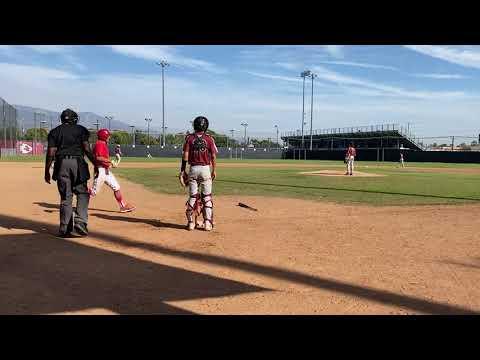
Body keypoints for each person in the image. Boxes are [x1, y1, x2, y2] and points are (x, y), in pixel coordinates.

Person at [44, 108, 95, 237]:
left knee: (66, 196)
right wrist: (96, 164)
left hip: (61, 164)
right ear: (75, 119)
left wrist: (46, 171)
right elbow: (87, 149)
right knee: (82, 193)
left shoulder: (55, 132)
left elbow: (51, 153)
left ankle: (65, 227)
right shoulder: (81, 129)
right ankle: (80, 222)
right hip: (77, 163)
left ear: (62, 119)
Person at [179, 116, 218, 231]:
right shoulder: (209, 139)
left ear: (194, 125)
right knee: (206, 197)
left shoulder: (189, 139)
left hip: (193, 169)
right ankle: (207, 223)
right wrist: (214, 170)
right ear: (206, 126)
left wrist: (182, 170)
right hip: (205, 169)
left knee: (193, 196)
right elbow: (214, 156)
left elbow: (185, 156)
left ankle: (191, 223)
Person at [88, 129, 136, 213]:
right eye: (108, 135)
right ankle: (79, 189)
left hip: (105, 171)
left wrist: (110, 164)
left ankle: (122, 206)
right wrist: (111, 162)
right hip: (100, 171)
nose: (109, 137)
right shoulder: (99, 144)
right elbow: (98, 158)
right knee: (93, 192)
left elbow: (103, 159)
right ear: (104, 136)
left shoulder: (103, 144)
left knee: (116, 187)